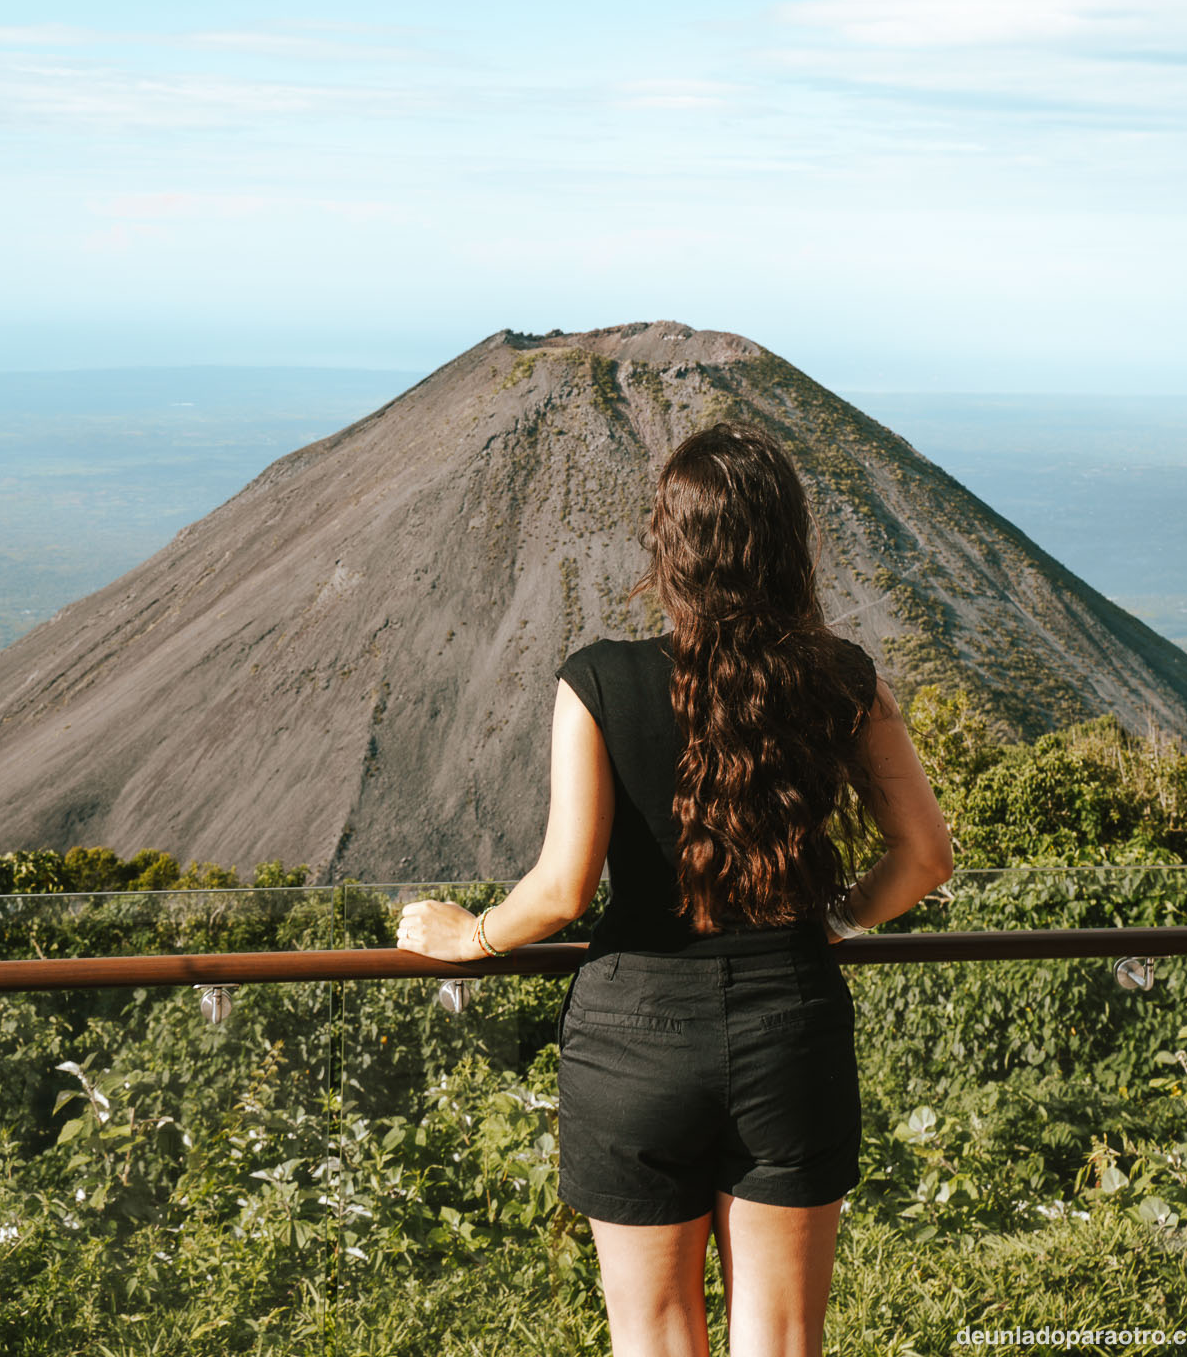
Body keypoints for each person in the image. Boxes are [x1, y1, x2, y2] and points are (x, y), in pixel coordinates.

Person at [396, 420, 954, 1357]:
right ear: (786, 543)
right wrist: (835, 919)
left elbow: (565, 887)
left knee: (653, 1335)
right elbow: (927, 856)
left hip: (633, 1042)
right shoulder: (842, 678)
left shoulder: (598, 681)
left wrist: (474, 936)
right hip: (791, 1024)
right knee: (779, 1339)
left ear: (669, 546)